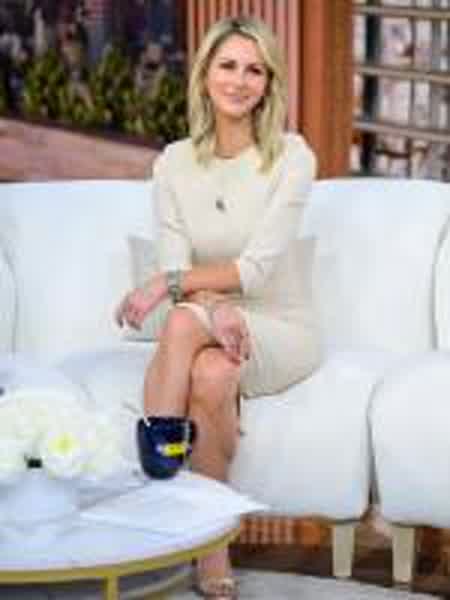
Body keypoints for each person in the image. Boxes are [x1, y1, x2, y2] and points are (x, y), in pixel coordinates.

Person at [116, 15, 320, 600]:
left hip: (280, 326)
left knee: (182, 319)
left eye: (255, 70)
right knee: (210, 372)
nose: (239, 81)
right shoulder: (174, 162)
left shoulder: (291, 157)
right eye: (227, 66)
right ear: (205, 74)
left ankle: (159, 489)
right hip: (207, 319)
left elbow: (255, 272)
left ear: (269, 83)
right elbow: (177, 259)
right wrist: (212, 306)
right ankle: (212, 547)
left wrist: (169, 285)